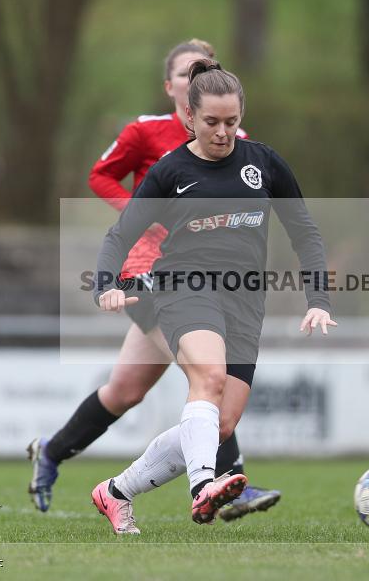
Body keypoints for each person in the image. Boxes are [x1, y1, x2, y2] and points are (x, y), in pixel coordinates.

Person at [27, 40, 281, 521]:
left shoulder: (230, 136)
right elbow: (101, 176)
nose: (194, 82)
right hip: (149, 273)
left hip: (205, 277)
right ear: (170, 87)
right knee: (210, 375)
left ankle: (52, 452)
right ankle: (227, 484)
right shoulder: (145, 133)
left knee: (124, 391)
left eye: (203, 73)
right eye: (186, 74)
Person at [90, 59, 336, 533]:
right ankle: (204, 486)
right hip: (184, 285)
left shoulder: (264, 162)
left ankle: (116, 492)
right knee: (209, 375)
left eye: (231, 122)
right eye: (211, 122)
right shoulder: (169, 171)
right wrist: (106, 285)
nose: (223, 132)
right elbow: (119, 236)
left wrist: (319, 300)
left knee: (220, 425)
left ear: (241, 116)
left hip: (245, 299)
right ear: (189, 118)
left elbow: (304, 230)